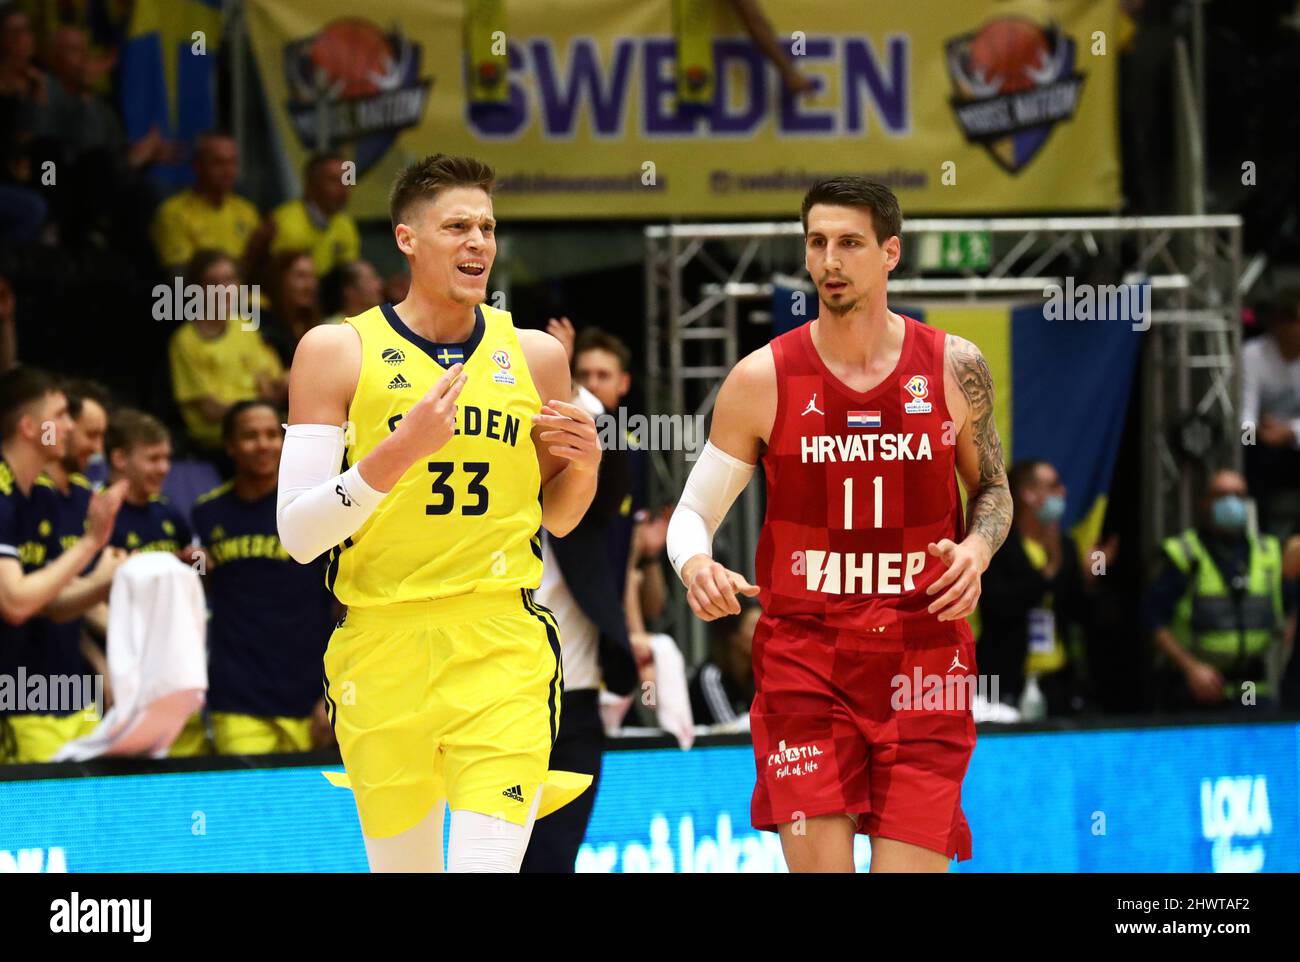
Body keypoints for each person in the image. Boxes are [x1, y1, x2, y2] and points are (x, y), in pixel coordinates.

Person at [666, 177, 1011, 873]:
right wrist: (694, 563)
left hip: (924, 659)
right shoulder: (762, 378)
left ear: (890, 253)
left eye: (849, 243)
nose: (829, 259)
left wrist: (978, 548)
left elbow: (994, 490)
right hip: (805, 661)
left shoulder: (954, 366)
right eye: (817, 243)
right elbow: (692, 514)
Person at [277, 152, 601, 873]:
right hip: (379, 644)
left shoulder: (537, 355)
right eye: (457, 226)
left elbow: (560, 517)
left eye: (486, 226)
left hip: (499, 644)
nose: (478, 242)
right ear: (406, 239)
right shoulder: (336, 351)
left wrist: (588, 465)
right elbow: (298, 534)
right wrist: (398, 452)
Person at [192, 400, 335, 754]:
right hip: (238, 697)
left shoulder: (311, 508)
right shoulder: (206, 513)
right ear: (229, 446)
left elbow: (342, 603)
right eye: (250, 436)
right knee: (247, 808)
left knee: (311, 807)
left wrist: (332, 693)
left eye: (273, 434)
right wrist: (196, 565)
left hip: (311, 695)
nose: (264, 444)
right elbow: (197, 583)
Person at [0, 367, 126, 762]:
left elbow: (51, 600)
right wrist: (91, 545)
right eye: (60, 416)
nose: (70, 426)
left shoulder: (39, 496)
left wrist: (111, 579)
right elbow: (16, 604)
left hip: (59, 692)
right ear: (28, 427)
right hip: (16, 700)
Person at [1144, 469, 1293, 711]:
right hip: (1199, 687)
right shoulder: (1184, 553)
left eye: (1238, 495)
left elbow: (1288, 601)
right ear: (1205, 503)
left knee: (1258, 747)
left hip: (1253, 687)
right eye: (1222, 495)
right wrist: (1191, 668)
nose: (1231, 503)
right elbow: (1152, 620)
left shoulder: (1269, 552)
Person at [977, 459, 1112, 716]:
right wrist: (1048, 572)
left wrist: (1095, 574)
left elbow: (1086, 616)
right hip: (1004, 683)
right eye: (1053, 487)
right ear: (1028, 495)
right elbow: (999, 608)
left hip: (1058, 683)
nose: (1063, 493)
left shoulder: (1066, 546)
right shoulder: (997, 548)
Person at [167, 249, 287, 455]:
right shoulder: (185, 341)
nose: (224, 289)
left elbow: (273, 385)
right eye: (213, 283)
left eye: (230, 280)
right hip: (219, 445)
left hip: (260, 432)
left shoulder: (245, 325)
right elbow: (211, 411)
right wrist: (259, 402)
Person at [150, 131, 260, 272]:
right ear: (198, 166)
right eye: (218, 163)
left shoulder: (246, 210)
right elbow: (180, 279)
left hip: (245, 292)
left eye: (233, 162)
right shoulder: (174, 212)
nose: (228, 171)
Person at [1242, 290, 1300, 538]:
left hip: (1294, 438)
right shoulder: (1252, 354)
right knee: (1248, 451)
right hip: (1261, 442)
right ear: (1280, 324)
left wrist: (1289, 431)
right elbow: (1245, 414)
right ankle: (1260, 539)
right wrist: (1255, 436)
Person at [263, 151, 361, 276]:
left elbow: (348, 277)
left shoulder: (346, 224)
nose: (343, 189)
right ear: (311, 185)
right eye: (334, 180)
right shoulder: (282, 223)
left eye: (347, 181)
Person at [688, 596, 759, 727]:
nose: (763, 633)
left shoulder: (758, 673)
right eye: (754, 626)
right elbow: (730, 732)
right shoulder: (711, 675)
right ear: (734, 635)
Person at [320, 259, 384, 325]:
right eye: (370, 280)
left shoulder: (381, 323)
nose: (379, 285)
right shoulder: (332, 328)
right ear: (350, 290)